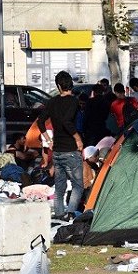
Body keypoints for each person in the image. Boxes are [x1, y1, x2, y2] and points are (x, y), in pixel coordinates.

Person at [37, 70, 84, 220]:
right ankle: (70, 212)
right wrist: (78, 138)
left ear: (58, 86)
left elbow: (40, 122)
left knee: (60, 186)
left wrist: (48, 140)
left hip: (57, 150)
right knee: (78, 185)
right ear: (71, 84)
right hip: (70, 149)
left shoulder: (51, 102)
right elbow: (67, 121)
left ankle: (59, 214)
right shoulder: (74, 101)